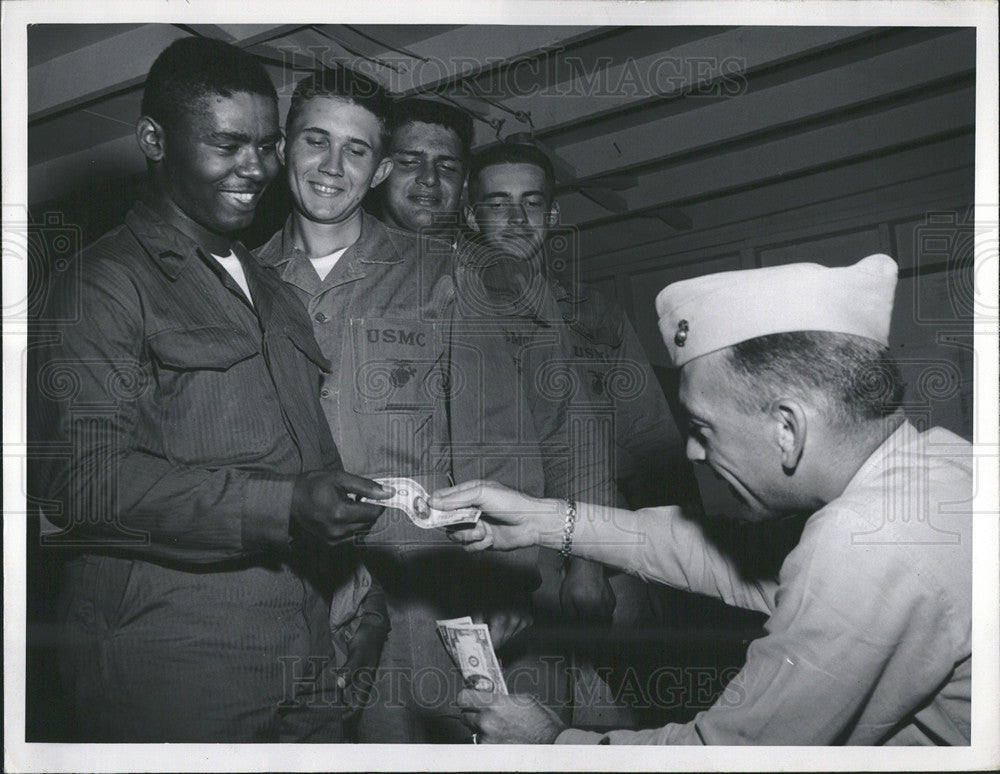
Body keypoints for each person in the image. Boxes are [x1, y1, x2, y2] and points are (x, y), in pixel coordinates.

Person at [433, 253, 973, 745]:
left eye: (702, 427)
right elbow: (722, 555)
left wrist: (551, 744)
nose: (692, 450)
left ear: (787, 427)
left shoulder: (868, 543)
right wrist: (541, 519)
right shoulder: (935, 469)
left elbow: (728, 753)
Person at [27, 38, 390, 742]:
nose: (255, 170)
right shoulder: (105, 284)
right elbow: (82, 484)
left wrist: (357, 601)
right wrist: (282, 507)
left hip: (308, 637)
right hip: (172, 657)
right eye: (227, 146)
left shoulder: (274, 290)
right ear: (155, 140)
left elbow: (305, 461)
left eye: (265, 146)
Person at [253, 68, 543, 743]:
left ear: (379, 168)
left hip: (422, 587)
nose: (331, 167)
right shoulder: (244, 277)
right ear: (282, 149)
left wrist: (511, 579)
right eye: (314, 142)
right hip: (287, 586)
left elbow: (497, 434)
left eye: (355, 150)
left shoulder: (440, 274)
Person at [376, 97, 473, 244]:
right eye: (409, 162)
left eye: (446, 167)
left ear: (465, 181)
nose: (430, 178)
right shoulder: (338, 261)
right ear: (379, 171)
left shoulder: (504, 266)